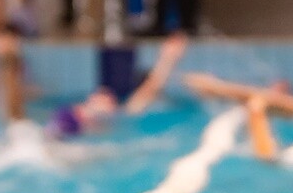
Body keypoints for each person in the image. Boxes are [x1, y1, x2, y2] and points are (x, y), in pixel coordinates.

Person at [45, 32, 187, 139]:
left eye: (109, 99)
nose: (106, 96)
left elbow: (150, 89)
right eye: (102, 95)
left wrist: (167, 58)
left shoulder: (117, 114)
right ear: (90, 98)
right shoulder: (70, 113)